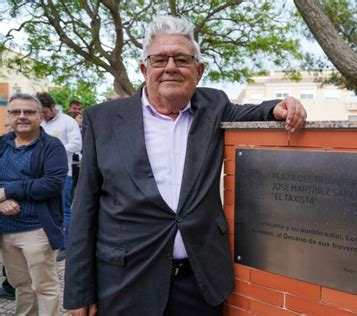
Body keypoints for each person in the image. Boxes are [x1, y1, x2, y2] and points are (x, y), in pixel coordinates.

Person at [63, 15, 306, 316]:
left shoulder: (214, 106)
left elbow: (251, 112)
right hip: (126, 283)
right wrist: (78, 290)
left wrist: (280, 107)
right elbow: (85, 206)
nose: (170, 68)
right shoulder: (103, 120)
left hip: (199, 284)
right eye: (160, 59)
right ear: (144, 68)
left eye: (181, 59)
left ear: (198, 70)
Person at [0, 93, 68, 315]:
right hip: (6, 230)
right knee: (21, 285)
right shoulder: (2, 145)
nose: (22, 116)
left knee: (44, 286)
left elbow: (52, 184)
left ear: (40, 116)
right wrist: (2, 201)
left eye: (28, 112)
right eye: (15, 112)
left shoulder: (52, 146)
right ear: (8, 116)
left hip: (37, 229)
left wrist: (8, 190)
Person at [37, 92, 82, 262]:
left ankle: (66, 245)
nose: (42, 116)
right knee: (48, 208)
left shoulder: (68, 122)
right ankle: (52, 240)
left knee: (63, 209)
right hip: (41, 175)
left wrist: (54, 150)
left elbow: (77, 145)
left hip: (64, 174)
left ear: (52, 108)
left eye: (44, 112)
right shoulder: (40, 123)